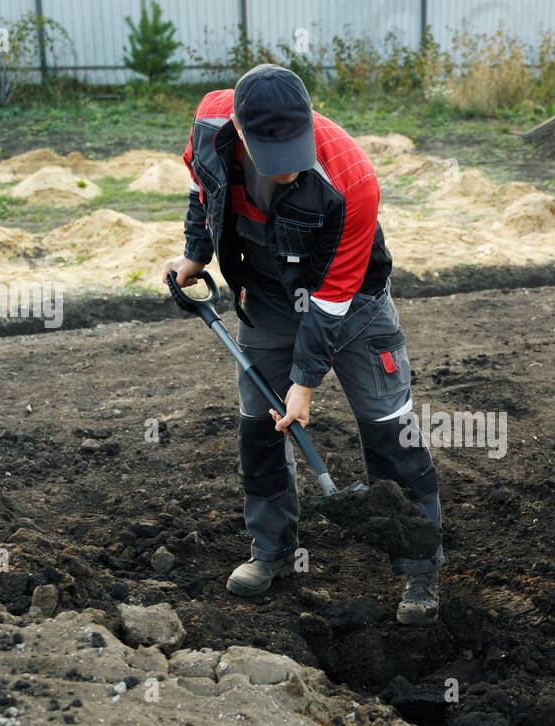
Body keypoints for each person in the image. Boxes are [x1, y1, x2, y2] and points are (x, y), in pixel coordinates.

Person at [163, 64, 442, 624]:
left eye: (296, 150)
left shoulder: (352, 180)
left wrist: (305, 384)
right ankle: (271, 551)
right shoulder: (210, 124)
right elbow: (203, 188)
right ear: (240, 131)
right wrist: (196, 253)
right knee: (259, 428)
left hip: (354, 302)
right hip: (265, 296)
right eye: (275, 156)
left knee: (392, 429)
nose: (289, 171)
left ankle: (418, 568)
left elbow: (334, 299)